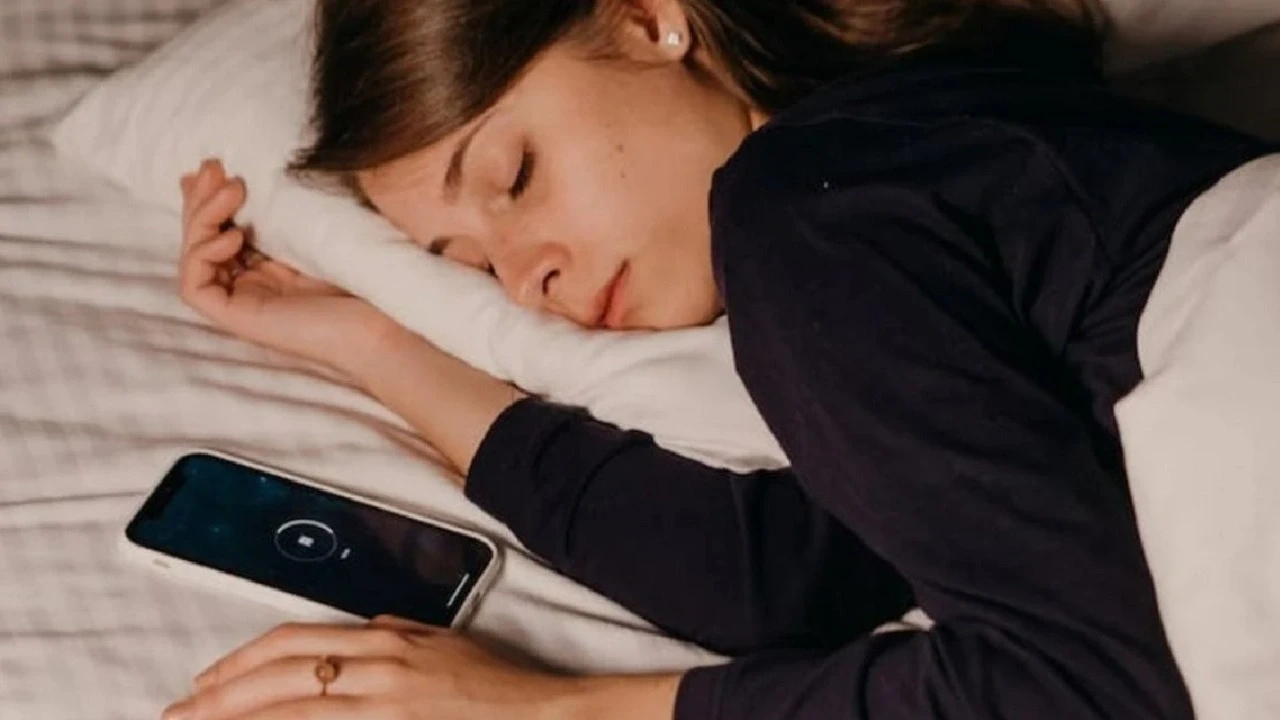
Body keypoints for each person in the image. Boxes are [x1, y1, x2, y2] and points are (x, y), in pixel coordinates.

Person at [162, 0, 1272, 718]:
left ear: (650, 20)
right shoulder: (921, 162)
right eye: (466, 263)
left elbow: (1079, 689)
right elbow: (787, 575)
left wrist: (544, 710)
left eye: (513, 176)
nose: (523, 281)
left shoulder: (802, 204)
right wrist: (367, 339)